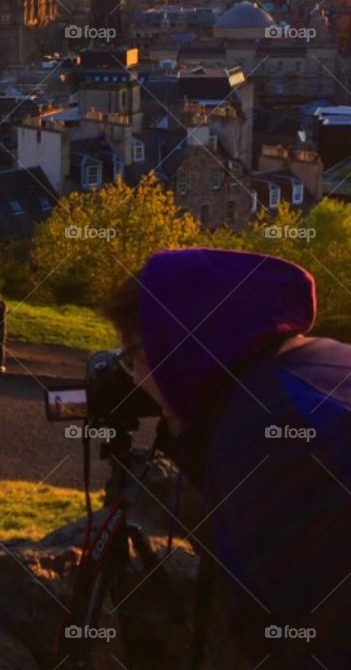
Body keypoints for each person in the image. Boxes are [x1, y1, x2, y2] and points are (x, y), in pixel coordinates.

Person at [104, 248, 351, 669]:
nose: (137, 381)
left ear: (168, 345)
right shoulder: (320, 360)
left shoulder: (267, 436)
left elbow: (307, 638)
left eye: (131, 360)